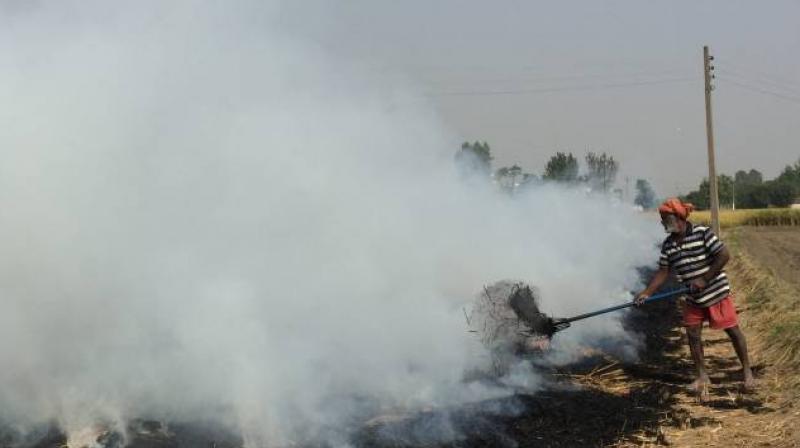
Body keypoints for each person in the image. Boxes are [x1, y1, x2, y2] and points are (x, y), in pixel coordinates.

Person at [636, 198, 755, 399]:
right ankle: (702, 377)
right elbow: (663, 272)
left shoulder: (702, 233)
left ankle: (747, 373)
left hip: (716, 292)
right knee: (692, 335)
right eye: (662, 219)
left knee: (732, 330)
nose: (663, 223)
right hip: (692, 297)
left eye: (666, 219)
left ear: (679, 218)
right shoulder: (668, 245)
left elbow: (724, 255)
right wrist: (646, 292)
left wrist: (705, 279)